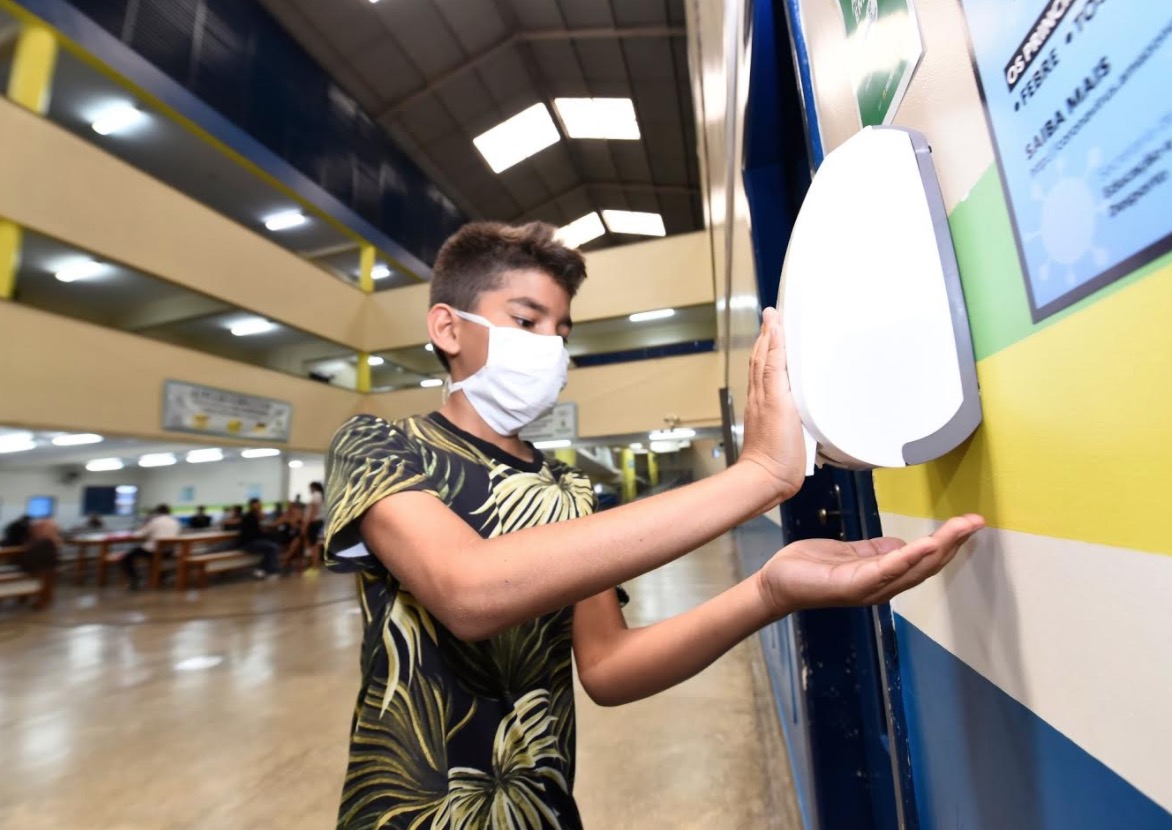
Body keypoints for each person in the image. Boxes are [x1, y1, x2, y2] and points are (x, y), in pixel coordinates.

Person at [322, 221, 984, 829]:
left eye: (563, 331)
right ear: (447, 326)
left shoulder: (569, 492)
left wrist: (768, 593)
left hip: (542, 812)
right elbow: (467, 591)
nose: (550, 347)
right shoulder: (381, 446)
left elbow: (608, 668)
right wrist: (754, 476)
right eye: (526, 320)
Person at [121, 504, 180, 591]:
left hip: (153, 551)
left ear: (157, 512)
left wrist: (142, 527)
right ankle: (161, 576)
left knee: (126, 558)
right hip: (168, 551)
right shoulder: (175, 522)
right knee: (150, 554)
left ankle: (135, 579)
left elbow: (139, 534)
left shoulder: (155, 521)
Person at [239, 498, 280, 579]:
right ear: (252, 506)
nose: (260, 507)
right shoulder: (249, 517)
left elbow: (260, 530)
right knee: (273, 547)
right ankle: (271, 571)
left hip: (256, 541)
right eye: (258, 505)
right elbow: (255, 533)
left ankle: (261, 569)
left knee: (272, 547)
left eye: (260, 505)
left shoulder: (256, 517)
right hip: (249, 543)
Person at [302, 482, 324, 568]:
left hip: (314, 522)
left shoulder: (316, 495)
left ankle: (314, 565)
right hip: (316, 522)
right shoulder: (319, 495)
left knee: (314, 544)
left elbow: (313, 511)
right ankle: (313, 564)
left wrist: (306, 524)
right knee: (314, 544)